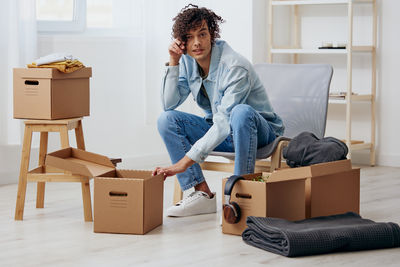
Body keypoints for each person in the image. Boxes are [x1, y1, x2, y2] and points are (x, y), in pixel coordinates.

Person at [152, 4, 284, 217]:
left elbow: (224, 122)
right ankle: (201, 193)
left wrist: (182, 164)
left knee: (240, 112)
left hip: (260, 133)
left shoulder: (234, 67)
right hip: (224, 131)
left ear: (212, 34)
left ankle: (241, 197)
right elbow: (169, 104)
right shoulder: (187, 60)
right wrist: (174, 62)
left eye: (202, 34)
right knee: (167, 119)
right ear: (182, 41)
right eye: (190, 37)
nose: (197, 43)